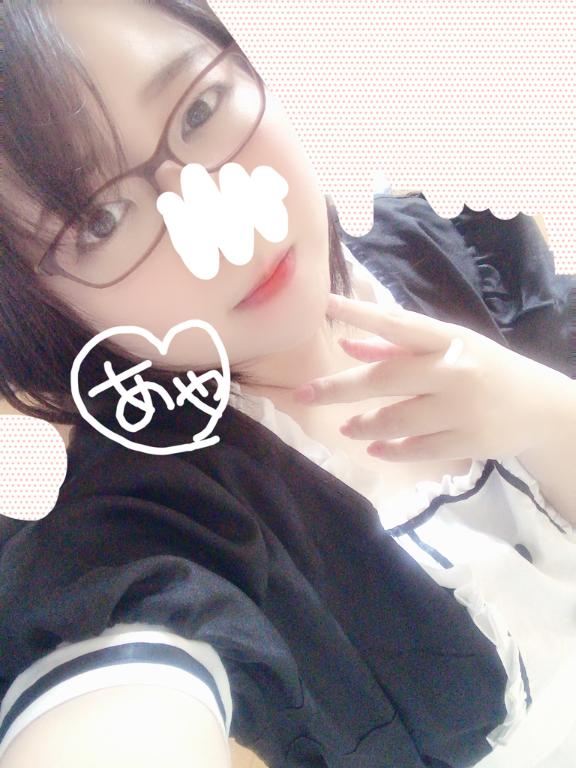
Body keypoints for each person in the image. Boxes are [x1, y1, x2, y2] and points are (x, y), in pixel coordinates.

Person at [0, 1, 575, 767]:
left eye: (200, 108)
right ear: (42, 311)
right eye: (101, 219)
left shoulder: (453, 242)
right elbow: (111, 693)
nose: (222, 229)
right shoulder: (151, 519)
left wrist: (547, 414)